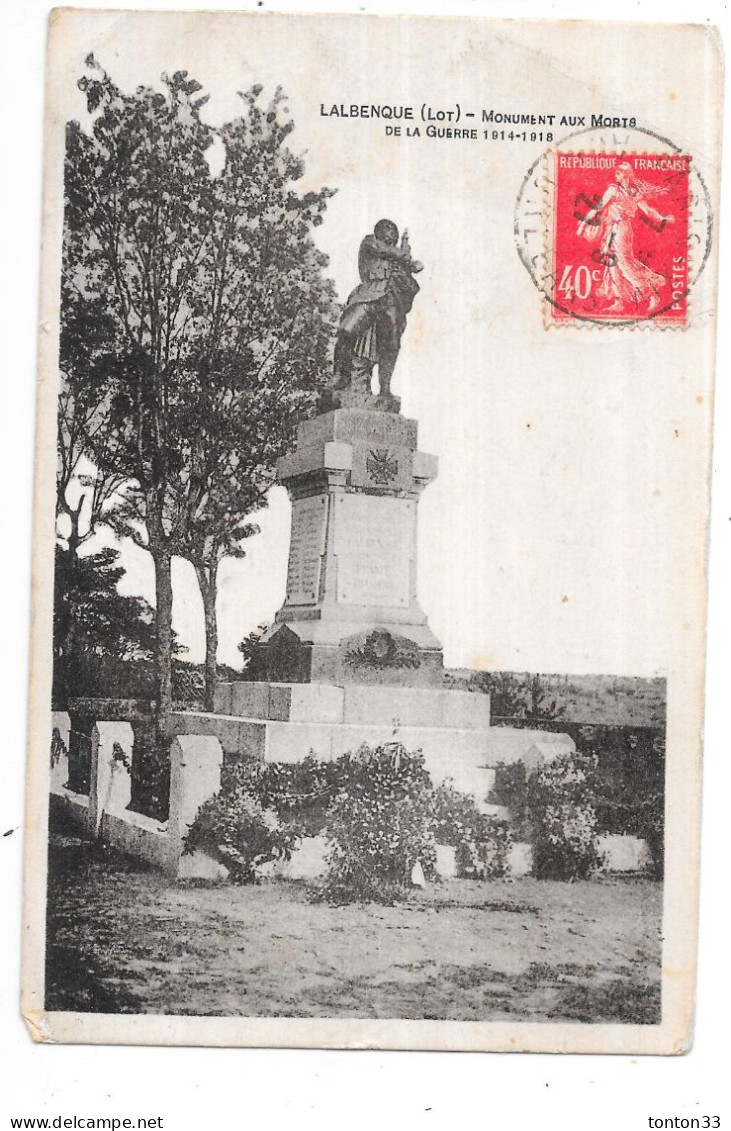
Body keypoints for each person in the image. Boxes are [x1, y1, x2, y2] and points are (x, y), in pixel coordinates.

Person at [333, 219, 423, 395]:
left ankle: (385, 387)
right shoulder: (370, 242)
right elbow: (382, 250)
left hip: (390, 298)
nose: (391, 233)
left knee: (392, 342)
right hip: (368, 294)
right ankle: (340, 375)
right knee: (346, 330)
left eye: (393, 231)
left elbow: (414, 270)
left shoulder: (398, 255)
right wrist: (406, 257)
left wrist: (409, 261)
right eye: (387, 229)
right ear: (379, 231)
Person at [577, 162, 675, 313]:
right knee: (612, 263)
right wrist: (585, 221)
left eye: (620, 172)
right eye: (616, 172)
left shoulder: (631, 193)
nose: (616, 174)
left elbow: (647, 210)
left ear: (627, 174)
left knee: (623, 262)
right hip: (612, 229)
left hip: (621, 230)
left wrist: (662, 218)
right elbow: (599, 207)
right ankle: (619, 301)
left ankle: (651, 293)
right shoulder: (613, 189)